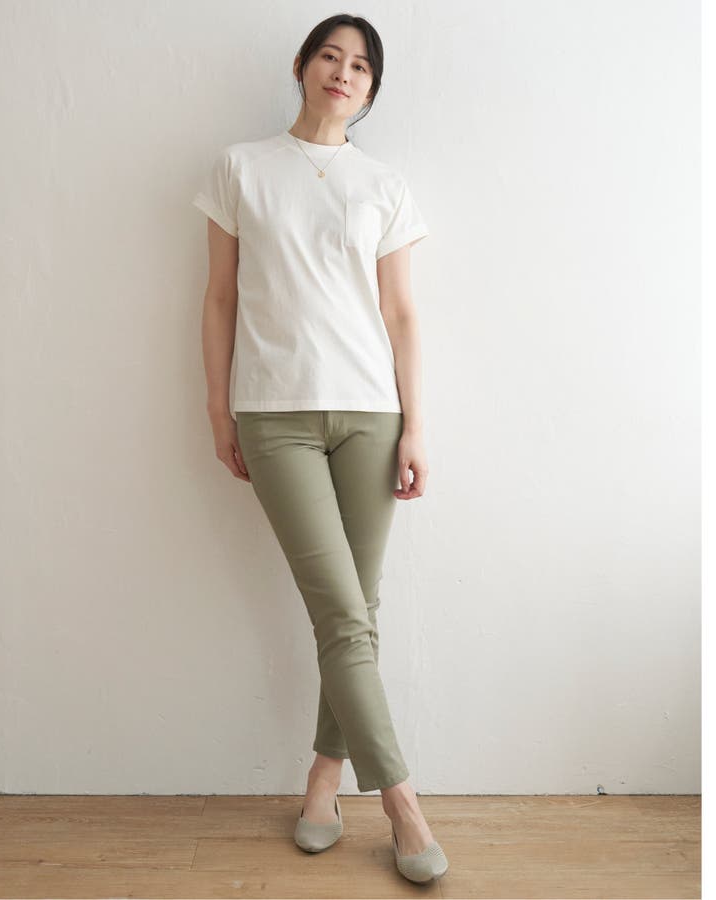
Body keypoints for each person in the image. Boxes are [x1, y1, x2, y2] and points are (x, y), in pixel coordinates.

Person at [192, 13, 448, 884]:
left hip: (371, 415)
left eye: (362, 66)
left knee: (355, 612)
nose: (344, 72)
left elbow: (401, 313)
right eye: (331, 57)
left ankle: (324, 781)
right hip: (275, 414)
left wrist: (415, 425)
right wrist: (219, 410)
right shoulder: (240, 168)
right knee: (344, 613)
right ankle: (403, 804)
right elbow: (219, 298)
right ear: (302, 65)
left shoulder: (383, 185)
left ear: (372, 90)